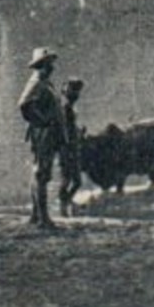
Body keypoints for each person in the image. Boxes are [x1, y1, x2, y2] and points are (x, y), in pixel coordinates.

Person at [17, 47, 67, 228]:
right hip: (44, 134)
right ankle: (43, 218)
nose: (52, 66)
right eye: (49, 63)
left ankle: (36, 215)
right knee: (41, 173)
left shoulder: (44, 82)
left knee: (40, 173)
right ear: (41, 65)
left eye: (51, 62)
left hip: (47, 133)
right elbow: (23, 105)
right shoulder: (37, 81)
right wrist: (42, 121)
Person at [58, 78, 85, 217]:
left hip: (72, 147)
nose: (76, 95)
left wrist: (79, 132)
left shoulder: (68, 107)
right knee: (69, 179)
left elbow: (69, 128)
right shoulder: (66, 108)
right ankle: (64, 206)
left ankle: (66, 204)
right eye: (74, 91)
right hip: (68, 148)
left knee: (72, 180)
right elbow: (64, 129)